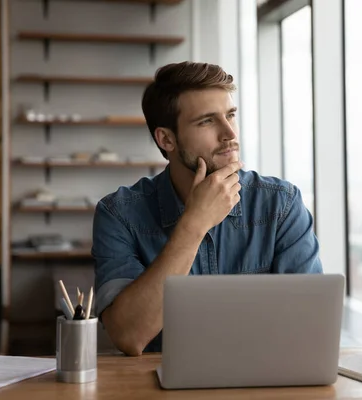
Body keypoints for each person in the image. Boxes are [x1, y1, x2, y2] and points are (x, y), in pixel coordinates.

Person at [92, 61, 322, 356]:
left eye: (230, 116)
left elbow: (310, 327)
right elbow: (129, 335)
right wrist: (194, 224)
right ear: (166, 139)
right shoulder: (119, 213)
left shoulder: (282, 204)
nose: (229, 133)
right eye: (207, 121)